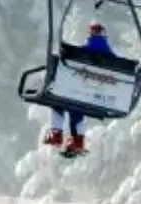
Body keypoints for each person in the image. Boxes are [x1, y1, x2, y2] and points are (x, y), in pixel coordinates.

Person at [42, 22, 116, 155]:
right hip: (98, 96)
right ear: (104, 35)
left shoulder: (79, 52)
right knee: (77, 105)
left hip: (76, 92)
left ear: (90, 34)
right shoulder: (111, 57)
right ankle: (77, 140)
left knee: (58, 101)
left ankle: (56, 132)